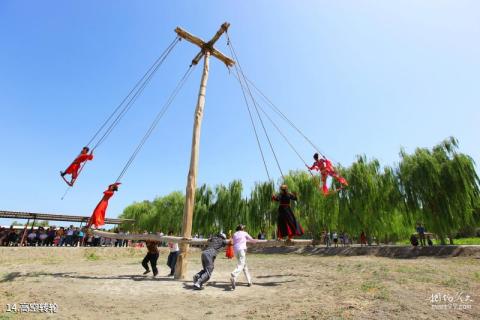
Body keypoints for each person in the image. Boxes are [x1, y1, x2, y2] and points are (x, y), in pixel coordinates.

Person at [230, 224, 256, 290]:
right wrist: (256, 241)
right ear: (242, 229)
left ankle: (249, 281)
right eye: (243, 228)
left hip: (236, 250)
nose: (244, 229)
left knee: (244, 266)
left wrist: (245, 240)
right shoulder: (244, 233)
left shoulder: (235, 234)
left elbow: (235, 242)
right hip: (242, 250)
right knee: (241, 264)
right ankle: (234, 274)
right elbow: (252, 239)